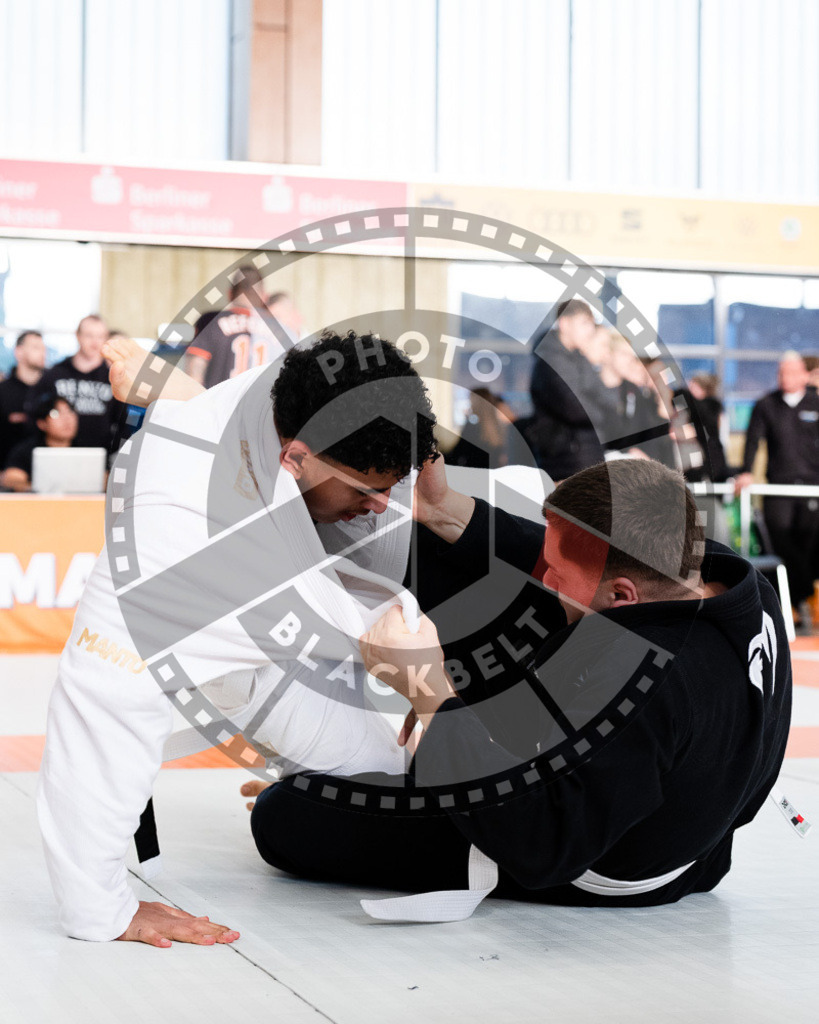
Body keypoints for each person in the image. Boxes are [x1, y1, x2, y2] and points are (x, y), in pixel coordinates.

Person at [247, 457, 791, 913]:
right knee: (519, 588)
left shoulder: (651, 687)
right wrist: (444, 510)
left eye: (556, 571)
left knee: (286, 815)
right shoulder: (733, 583)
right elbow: (559, 553)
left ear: (624, 596)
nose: (544, 576)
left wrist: (430, 692)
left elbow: (542, 843)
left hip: (594, 860)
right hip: (697, 839)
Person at [38, 330, 439, 948]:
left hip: (276, 606)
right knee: (117, 697)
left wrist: (160, 383)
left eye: (392, 485)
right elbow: (99, 707)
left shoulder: (290, 393)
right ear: (295, 456)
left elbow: (212, 414)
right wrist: (100, 907)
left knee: (380, 782)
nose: (384, 506)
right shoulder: (172, 536)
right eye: (365, 489)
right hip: (215, 611)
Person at [735, 352, 819, 634]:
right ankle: (802, 594)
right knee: (780, 540)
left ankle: (799, 603)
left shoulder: (816, 402)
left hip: (812, 487)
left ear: (805, 375)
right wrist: (746, 471)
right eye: (781, 372)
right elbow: (752, 440)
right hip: (778, 487)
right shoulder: (765, 404)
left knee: (808, 545)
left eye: (792, 372)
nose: (786, 378)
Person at [527, 300, 620, 480]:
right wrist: (601, 411)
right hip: (564, 460)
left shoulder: (578, 358)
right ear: (564, 323)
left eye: (591, 324)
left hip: (586, 452)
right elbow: (576, 409)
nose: (590, 330)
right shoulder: (550, 361)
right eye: (584, 323)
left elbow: (608, 398)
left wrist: (597, 405)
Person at [36, 315, 123, 450]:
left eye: (100, 336)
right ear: (78, 336)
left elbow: (121, 423)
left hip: (100, 455)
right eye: (89, 335)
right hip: (57, 453)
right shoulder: (54, 374)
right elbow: (37, 415)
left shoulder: (113, 378)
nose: (94, 342)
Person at [186, 265, 280, 387]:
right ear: (263, 296)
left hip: (219, 404)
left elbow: (194, 375)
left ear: (230, 293)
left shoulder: (210, 321)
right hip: (259, 404)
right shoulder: (278, 329)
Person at [0, 391, 79, 491]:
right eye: (56, 413)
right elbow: (11, 479)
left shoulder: (87, 449)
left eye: (70, 411)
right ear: (42, 423)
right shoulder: (26, 451)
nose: (67, 419)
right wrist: (40, 490)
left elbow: (102, 478)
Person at [0, 329, 46, 467]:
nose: (43, 353)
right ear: (19, 352)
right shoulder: (3, 391)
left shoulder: (51, 389)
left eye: (43, 348)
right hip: (6, 473)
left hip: (46, 469)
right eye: (36, 348)